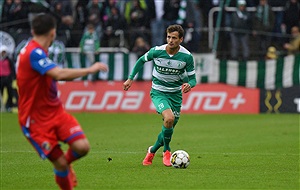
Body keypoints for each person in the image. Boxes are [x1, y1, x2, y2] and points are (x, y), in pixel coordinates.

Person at [16, 14, 108, 190]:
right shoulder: (32, 52)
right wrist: (90, 69)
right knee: (60, 164)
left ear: (33, 30)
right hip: (35, 120)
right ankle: (64, 170)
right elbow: (59, 74)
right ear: (53, 32)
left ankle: (65, 166)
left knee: (82, 147)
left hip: (55, 112)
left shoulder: (37, 51)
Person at [123, 24, 196, 166]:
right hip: (158, 92)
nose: (170, 40)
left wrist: (190, 84)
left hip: (175, 95)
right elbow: (140, 61)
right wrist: (130, 78)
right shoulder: (157, 51)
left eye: (174, 38)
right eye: (168, 37)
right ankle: (167, 151)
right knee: (169, 118)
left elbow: (193, 78)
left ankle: (152, 151)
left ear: (181, 39)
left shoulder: (187, 57)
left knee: (168, 127)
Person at [0, 45, 17, 112]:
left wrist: (13, 77)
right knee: (1, 93)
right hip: (1, 78)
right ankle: (1, 107)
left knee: (10, 93)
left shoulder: (9, 60)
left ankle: (9, 106)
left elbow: (12, 69)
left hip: (8, 78)